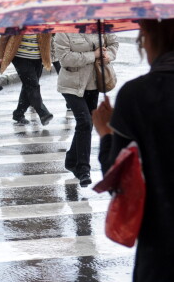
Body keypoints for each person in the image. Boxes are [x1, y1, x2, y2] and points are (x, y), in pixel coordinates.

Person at [92, 19, 174, 281]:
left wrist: (106, 132)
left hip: (162, 247)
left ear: (152, 39)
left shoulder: (137, 95)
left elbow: (118, 174)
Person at [55, 31, 118, 187]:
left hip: (93, 83)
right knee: (85, 122)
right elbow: (64, 59)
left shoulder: (98, 24)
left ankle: (71, 160)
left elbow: (113, 43)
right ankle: (83, 169)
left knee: (87, 124)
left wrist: (107, 55)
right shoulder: (63, 31)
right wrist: (93, 54)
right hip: (71, 86)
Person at [0, 33, 54, 126]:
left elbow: (53, 34)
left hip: (38, 58)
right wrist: (0, 57)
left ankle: (18, 113)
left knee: (28, 86)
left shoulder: (44, 21)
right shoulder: (18, 20)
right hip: (20, 57)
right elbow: (4, 37)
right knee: (32, 85)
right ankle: (43, 113)